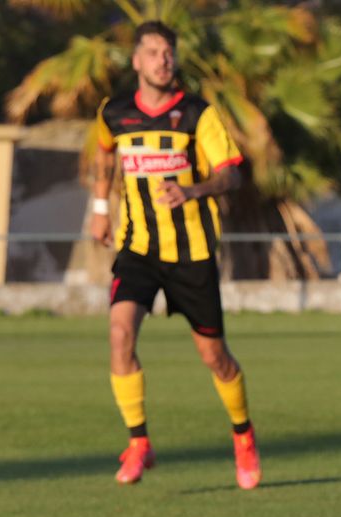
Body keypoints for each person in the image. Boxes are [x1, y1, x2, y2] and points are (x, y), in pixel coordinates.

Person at [89, 20, 259, 489]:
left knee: (214, 357)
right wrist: (101, 208)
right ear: (137, 61)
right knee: (120, 333)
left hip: (192, 252)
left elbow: (232, 175)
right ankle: (139, 443)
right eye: (154, 53)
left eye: (170, 53)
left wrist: (194, 189)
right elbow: (105, 155)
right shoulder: (114, 113)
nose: (164, 60)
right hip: (137, 248)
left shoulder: (198, 115)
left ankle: (243, 435)